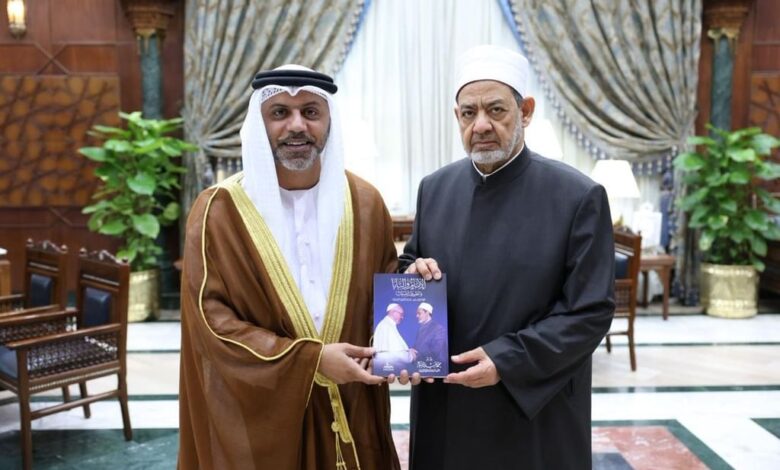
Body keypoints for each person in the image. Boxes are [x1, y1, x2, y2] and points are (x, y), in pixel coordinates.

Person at [399, 45, 615, 469]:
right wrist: (414, 272)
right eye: (468, 113)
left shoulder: (577, 196)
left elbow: (590, 311)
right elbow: (411, 264)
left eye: (495, 110)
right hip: (446, 404)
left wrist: (506, 359)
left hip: (532, 408)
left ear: (526, 111)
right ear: (457, 117)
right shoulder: (434, 189)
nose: (481, 125)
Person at [178, 64, 401, 469]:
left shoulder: (366, 203)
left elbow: (382, 295)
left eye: (311, 112)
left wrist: (412, 295)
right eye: (280, 112)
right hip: (263, 418)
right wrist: (310, 360)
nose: (297, 126)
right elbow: (210, 321)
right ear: (259, 122)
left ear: (329, 121)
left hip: (353, 401)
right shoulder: (218, 210)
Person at [374, 303, 416, 374]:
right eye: (401, 314)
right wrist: (411, 356)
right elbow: (397, 354)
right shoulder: (387, 326)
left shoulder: (385, 324)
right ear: (393, 312)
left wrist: (408, 350)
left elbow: (393, 348)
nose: (402, 317)